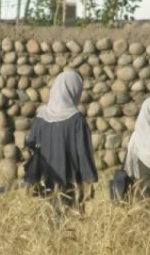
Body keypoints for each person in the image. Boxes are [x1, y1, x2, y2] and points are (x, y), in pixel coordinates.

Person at [25, 70, 98, 215]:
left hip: (44, 182)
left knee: (48, 221)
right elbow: (84, 153)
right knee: (70, 224)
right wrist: (88, 180)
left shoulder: (40, 117)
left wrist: (31, 178)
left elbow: (32, 148)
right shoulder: (76, 120)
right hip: (70, 183)